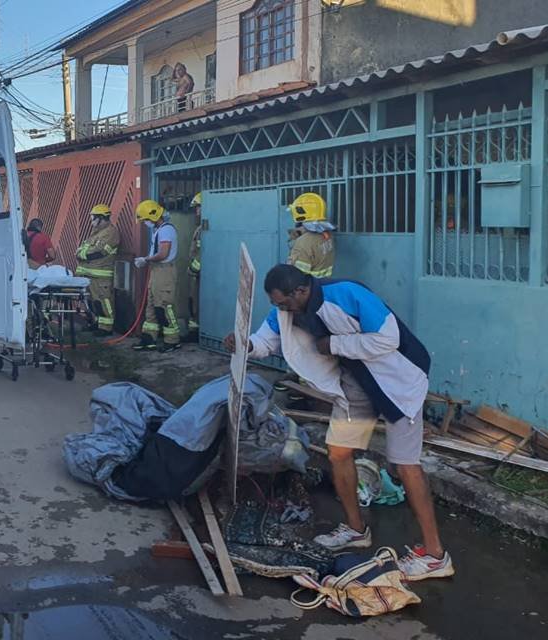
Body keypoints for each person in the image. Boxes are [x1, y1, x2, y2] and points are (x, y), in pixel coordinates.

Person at [224, 265, 452, 581]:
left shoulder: (347, 293)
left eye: (284, 304)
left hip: (399, 380)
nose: (281, 311)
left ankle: (435, 555)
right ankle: (357, 530)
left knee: (405, 465)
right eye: (277, 305)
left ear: (300, 291)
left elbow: (389, 338)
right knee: (338, 453)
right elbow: (269, 337)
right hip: (356, 383)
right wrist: (247, 345)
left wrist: (334, 345)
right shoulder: (287, 310)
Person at [133, 200, 180, 353]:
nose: (144, 222)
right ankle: (149, 338)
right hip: (157, 271)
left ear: (152, 217)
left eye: (145, 220)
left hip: (164, 271)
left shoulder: (166, 230)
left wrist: (145, 260)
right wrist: (147, 260)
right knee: (151, 306)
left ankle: (172, 341)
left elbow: (163, 254)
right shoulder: (159, 230)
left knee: (164, 307)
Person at [75, 204, 121, 337]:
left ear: (101, 218)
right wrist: (82, 252)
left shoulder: (111, 232)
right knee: (94, 302)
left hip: (101, 275)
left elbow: (98, 252)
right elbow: (83, 248)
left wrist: (82, 254)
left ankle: (106, 327)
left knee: (104, 301)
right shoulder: (96, 232)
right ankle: (98, 322)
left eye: (93, 218)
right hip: (90, 274)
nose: (91, 220)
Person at [286, 193, 335, 278]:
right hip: (324, 283)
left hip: (307, 289)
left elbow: (296, 276)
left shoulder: (302, 244)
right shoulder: (327, 233)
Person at [186, 192, 202, 340]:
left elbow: (202, 253)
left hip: (200, 274)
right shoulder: (199, 227)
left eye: (198, 207)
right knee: (193, 301)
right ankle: (193, 331)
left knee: (199, 302)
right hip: (196, 275)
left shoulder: (204, 229)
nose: (196, 211)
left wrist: (193, 268)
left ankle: (199, 333)